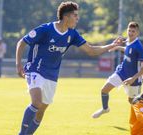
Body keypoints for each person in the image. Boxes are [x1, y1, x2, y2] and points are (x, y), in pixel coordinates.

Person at [16, 1, 123, 135]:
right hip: (35, 70)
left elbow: (91, 50)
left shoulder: (72, 34)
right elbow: (22, 42)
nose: (78, 19)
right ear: (66, 17)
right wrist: (18, 64)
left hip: (52, 76)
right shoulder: (45, 29)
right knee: (36, 103)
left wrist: (110, 45)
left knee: (41, 111)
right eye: (75, 16)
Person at [92, 21, 143, 119]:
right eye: (129, 30)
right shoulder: (129, 41)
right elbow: (128, 49)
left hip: (133, 79)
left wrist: (133, 78)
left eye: (133, 31)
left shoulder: (138, 47)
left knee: (132, 102)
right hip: (121, 72)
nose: (130, 33)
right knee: (104, 90)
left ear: (137, 33)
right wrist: (118, 47)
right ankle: (105, 108)